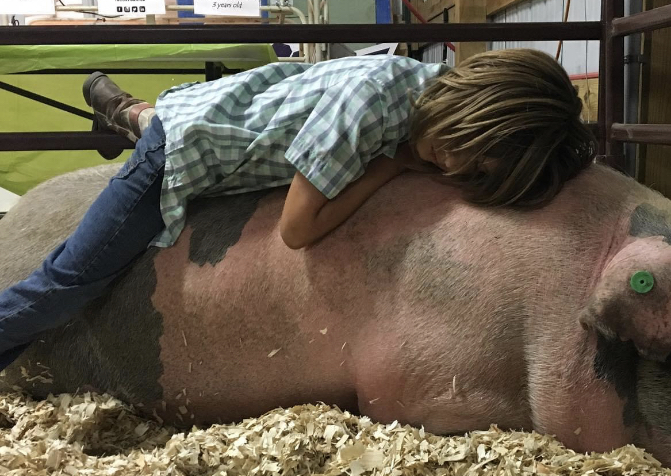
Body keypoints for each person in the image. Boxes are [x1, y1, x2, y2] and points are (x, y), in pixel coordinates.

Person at [0, 49, 595, 370]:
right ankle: (145, 123)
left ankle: (130, 112)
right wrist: (388, 169)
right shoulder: (371, 105)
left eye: (479, 172)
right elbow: (296, 228)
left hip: (234, 118)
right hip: (183, 151)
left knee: (204, 125)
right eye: (469, 148)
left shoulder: (424, 88)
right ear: (471, 107)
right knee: (70, 282)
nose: (457, 167)